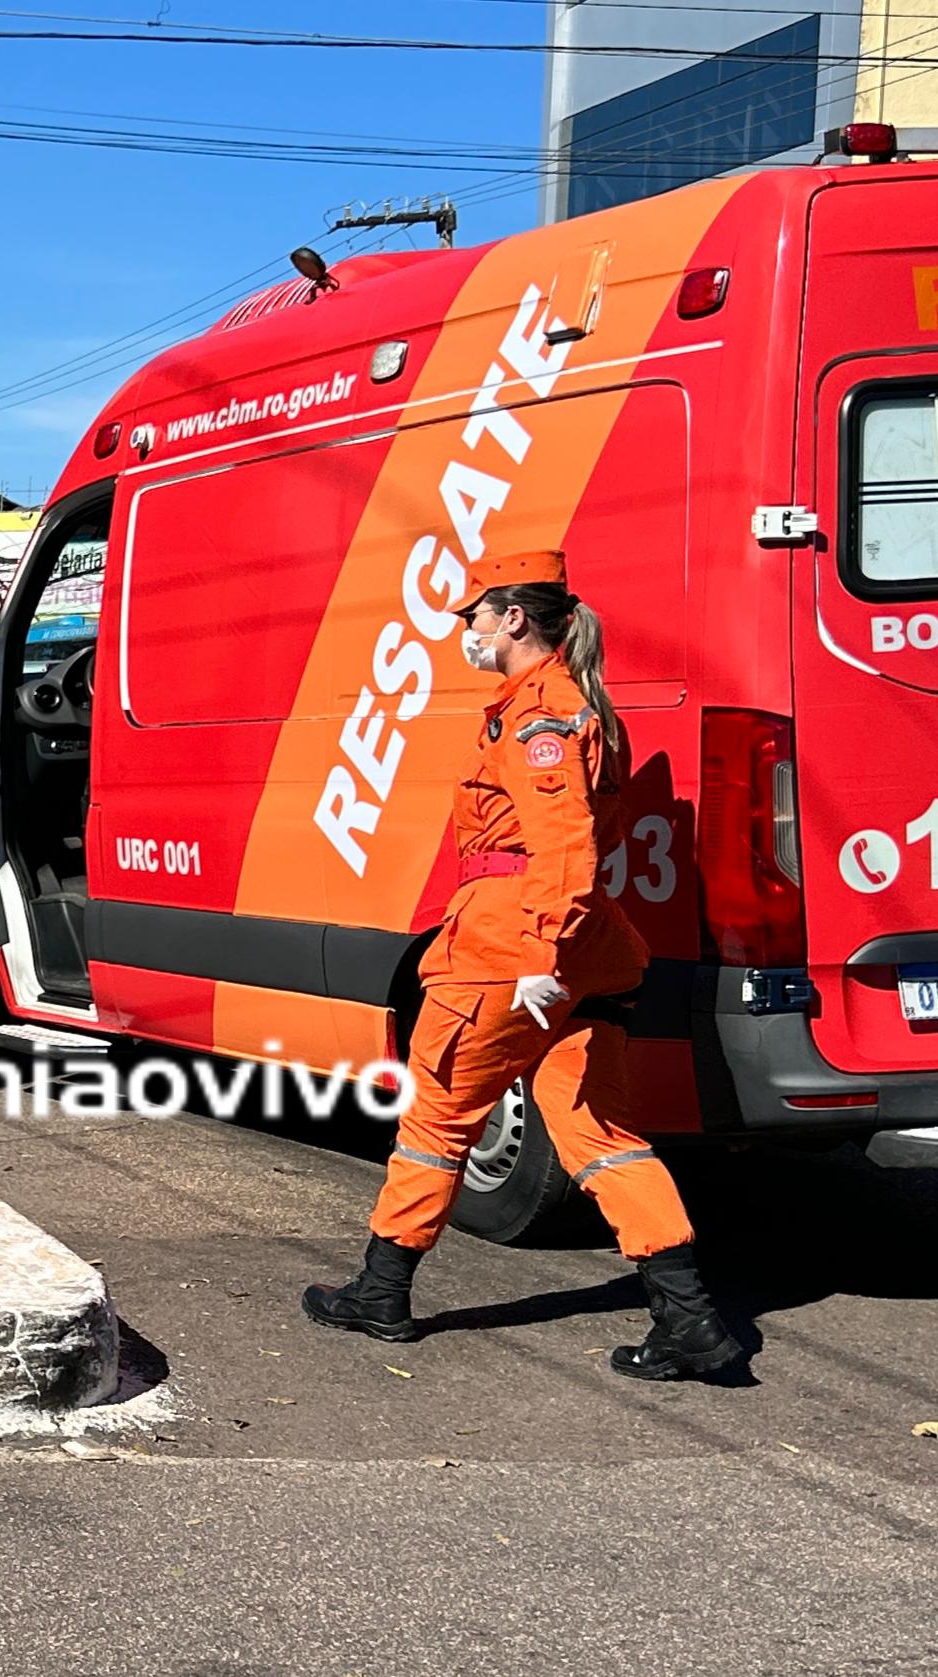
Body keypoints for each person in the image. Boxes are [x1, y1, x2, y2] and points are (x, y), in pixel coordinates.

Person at [303, 549, 745, 1383]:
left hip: (512, 948)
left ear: (513, 619)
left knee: (437, 1118)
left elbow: (564, 844)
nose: (464, 632)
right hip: (586, 953)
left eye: (472, 616)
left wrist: (539, 953)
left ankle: (381, 1289)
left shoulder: (540, 715)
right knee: (598, 1135)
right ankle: (691, 1322)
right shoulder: (582, 710)